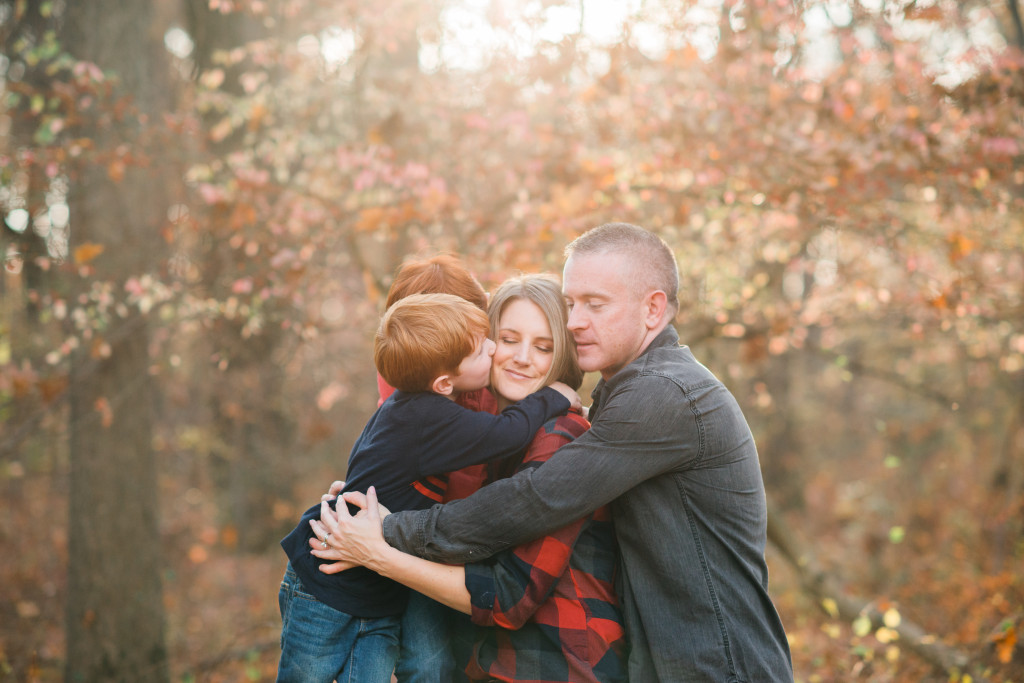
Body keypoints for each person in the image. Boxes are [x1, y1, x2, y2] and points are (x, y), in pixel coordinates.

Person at [317, 224, 794, 681]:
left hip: (717, 667)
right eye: (570, 303)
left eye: (595, 304)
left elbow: (537, 499)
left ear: (653, 310)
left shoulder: (662, 393)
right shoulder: (613, 395)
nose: (576, 321)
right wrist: (376, 492)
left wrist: (386, 532)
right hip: (660, 662)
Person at [312, 274, 626, 682]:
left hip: (558, 663)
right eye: (509, 340)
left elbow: (507, 596)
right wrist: (363, 498)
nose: (522, 358)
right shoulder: (490, 430)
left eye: (544, 347)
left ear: (562, 355)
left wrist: (378, 548)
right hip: (493, 662)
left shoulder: (560, 437)